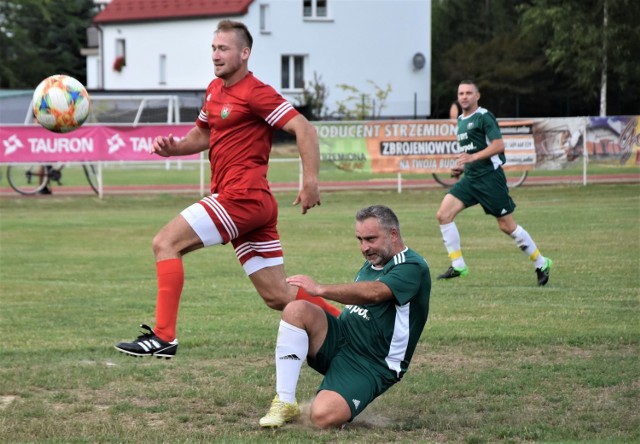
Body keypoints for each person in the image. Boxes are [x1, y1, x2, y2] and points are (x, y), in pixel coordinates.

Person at [114, 20, 340, 359]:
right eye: (213, 48)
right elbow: (203, 134)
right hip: (250, 204)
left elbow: (303, 128)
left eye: (224, 49)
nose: (216, 55)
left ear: (244, 53)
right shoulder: (214, 90)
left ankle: (163, 337)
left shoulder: (256, 92)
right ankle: (352, 325)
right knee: (277, 295)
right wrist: (173, 148)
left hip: (242, 197)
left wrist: (310, 182)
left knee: (165, 242)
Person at [259, 205, 431, 429]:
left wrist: (320, 289)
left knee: (322, 417)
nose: (364, 247)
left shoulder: (412, 266)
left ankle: (340, 393)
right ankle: (285, 400)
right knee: (296, 309)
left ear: (393, 234)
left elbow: (375, 293)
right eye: (360, 239)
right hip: (342, 338)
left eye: (370, 239)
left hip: (372, 362)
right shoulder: (374, 260)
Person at [436, 80, 552, 285]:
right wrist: (461, 167)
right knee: (443, 215)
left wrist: (473, 158)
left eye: (468, 93)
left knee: (507, 226)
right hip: (471, 179)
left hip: (490, 179)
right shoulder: (462, 120)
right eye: (461, 93)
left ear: (477, 96)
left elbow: (498, 145)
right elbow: (471, 152)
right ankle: (458, 265)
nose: (464, 96)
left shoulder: (484, 117)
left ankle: (541, 263)